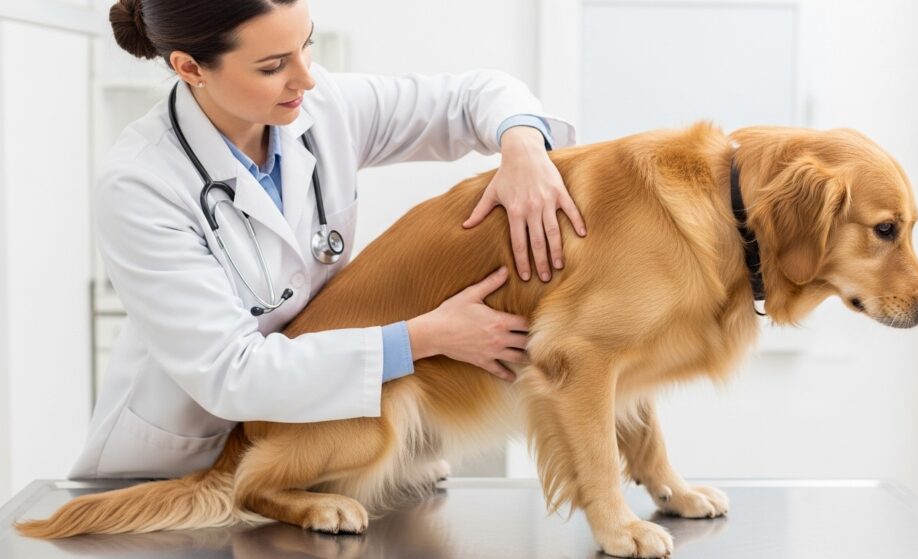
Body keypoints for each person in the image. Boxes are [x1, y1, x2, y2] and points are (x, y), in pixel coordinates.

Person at [70, 0, 585, 479]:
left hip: (314, 447)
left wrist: (523, 145)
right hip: (185, 460)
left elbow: (471, 96)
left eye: (307, 44)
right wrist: (424, 337)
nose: (306, 78)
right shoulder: (141, 183)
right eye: (272, 67)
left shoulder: (323, 109)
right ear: (189, 68)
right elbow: (233, 372)